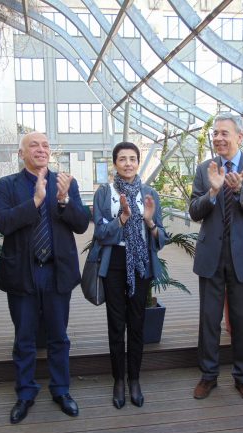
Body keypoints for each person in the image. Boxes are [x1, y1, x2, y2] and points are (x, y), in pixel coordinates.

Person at [0, 131, 89, 424]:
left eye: (45, 145)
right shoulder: (7, 185)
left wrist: (63, 201)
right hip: (23, 271)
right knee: (24, 338)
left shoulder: (65, 182)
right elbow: (3, 223)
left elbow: (82, 224)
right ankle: (25, 393)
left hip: (56, 271)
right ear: (21, 153)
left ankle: (61, 390)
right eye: (33, 145)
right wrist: (35, 202)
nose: (41, 149)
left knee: (59, 336)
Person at [188, 113, 243, 404]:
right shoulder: (204, 169)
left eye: (224, 133)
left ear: (240, 137)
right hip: (212, 252)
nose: (218, 138)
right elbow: (194, 212)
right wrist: (212, 191)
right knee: (209, 319)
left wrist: (239, 190)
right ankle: (208, 376)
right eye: (215, 134)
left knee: (242, 319)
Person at [92, 141, 166, 409]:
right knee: (116, 323)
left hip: (141, 264)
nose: (128, 163)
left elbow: (161, 237)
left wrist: (149, 221)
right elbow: (100, 234)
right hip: (114, 263)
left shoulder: (149, 194)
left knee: (137, 323)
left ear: (138, 162)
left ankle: (134, 378)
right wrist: (122, 218)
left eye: (132, 158)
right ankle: (118, 380)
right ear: (115, 164)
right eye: (122, 159)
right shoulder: (104, 193)